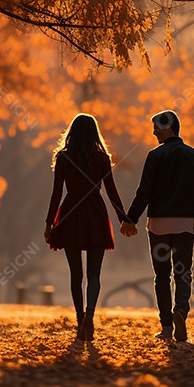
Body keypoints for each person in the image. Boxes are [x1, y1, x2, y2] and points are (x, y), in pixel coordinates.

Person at [120, 110, 194, 342]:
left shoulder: (155, 156)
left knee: (161, 276)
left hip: (158, 226)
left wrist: (130, 219)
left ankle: (166, 327)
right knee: (183, 274)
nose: (154, 132)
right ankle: (180, 312)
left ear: (168, 127)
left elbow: (144, 192)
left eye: (157, 127)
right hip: (184, 225)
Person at [44, 113, 129, 342]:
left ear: (72, 132)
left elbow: (56, 194)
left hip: (70, 214)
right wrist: (124, 219)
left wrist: (49, 223)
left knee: (76, 274)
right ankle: (90, 317)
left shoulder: (63, 158)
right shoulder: (102, 158)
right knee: (94, 274)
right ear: (94, 133)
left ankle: (80, 319)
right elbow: (111, 191)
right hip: (95, 214)